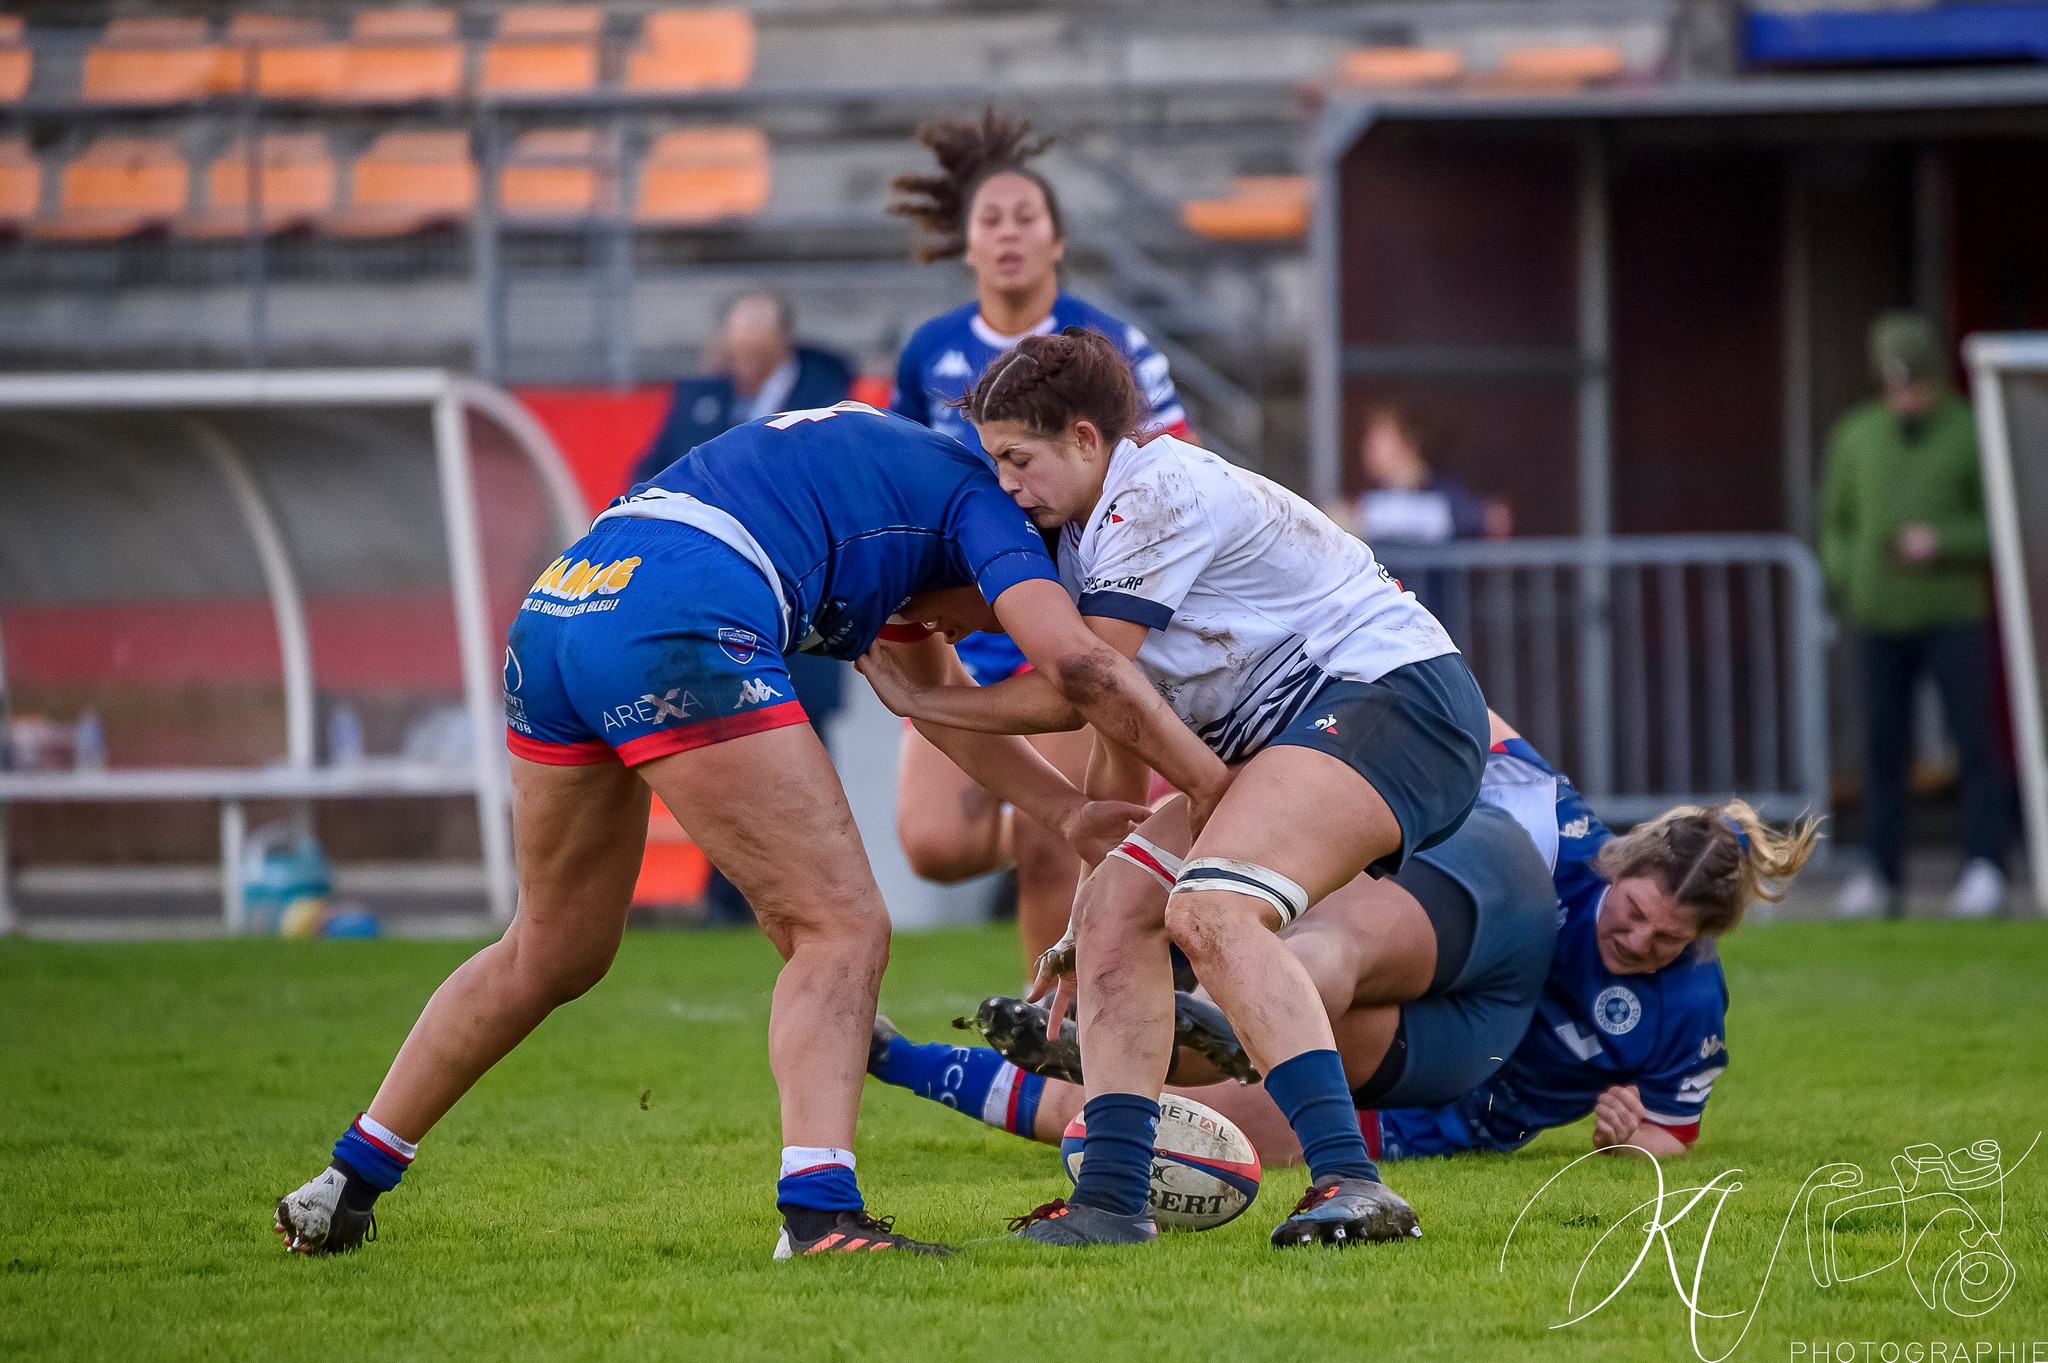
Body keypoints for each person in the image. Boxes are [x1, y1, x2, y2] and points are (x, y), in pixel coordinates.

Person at [271, 399, 1229, 1260]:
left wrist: (1063, 811)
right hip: (683, 611)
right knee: (841, 927)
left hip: (567, 602)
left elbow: (932, 699)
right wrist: (1203, 778)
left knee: (552, 946)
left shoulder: (895, 506)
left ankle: (346, 1180)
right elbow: (1076, 672)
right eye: (985, 617)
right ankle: (818, 1216)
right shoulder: (991, 509)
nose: (957, 634)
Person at [856, 328, 1490, 1250]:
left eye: (1016, 458)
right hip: (1292, 729)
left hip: (1392, 700)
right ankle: (1113, 1199)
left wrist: (923, 699)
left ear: (1084, 438)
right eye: (993, 461)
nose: (1004, 484)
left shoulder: (1148, 491)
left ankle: (1352, 1182)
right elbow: (1117, 716)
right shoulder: (1076, 534)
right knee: (1116, 915)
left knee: (1214, 912)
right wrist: (1095, 883)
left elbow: (1088, 678)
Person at [868, 713, 1818, 1166]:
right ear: (1622, 864)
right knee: (1327, 953)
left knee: (1184, 1128)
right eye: (1633, 912)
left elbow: (1671, 1130)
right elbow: (1462, 715)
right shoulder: (1556, 830)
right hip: (1434, 969)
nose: (1636, 937)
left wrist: (1631, 1139)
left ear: (1698, 944)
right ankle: (901, 1054)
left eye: (1661, 940)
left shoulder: (1689, 1001)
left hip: (1447, 1096)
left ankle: (1169, 1026)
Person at [886, 106, 1191, 971]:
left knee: (1053, 843)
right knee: (935, 846)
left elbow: (1173, 467)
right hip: (963, 612)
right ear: (968, 246)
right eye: (992, 220)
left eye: (1028, 217)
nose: (1010, 233)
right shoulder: (930, 351)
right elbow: (901, 479)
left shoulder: (1109, 344)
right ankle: (1060, 812)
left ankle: (1049, 1037)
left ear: (1057, 241)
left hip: (1062, 605)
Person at [630, 289, 858, 923]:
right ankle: (730, 892)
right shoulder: (698, 399)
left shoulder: (824, 400)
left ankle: (817, 884)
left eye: (756, 352)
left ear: (783, 346)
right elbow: (643, 480)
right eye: (735, 352)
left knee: (800, 748)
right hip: (710, 606)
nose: (743, 365)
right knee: (716, 744)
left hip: (798, 609)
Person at [1820, 311, 2009, 919]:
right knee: (1882, 750)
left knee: (1974, 743)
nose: (1905, 396)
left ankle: (1986, 866)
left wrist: (1943, 542)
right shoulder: (1857, 434)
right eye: (1895, 383)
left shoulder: (1969, 430)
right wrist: (1851, 578)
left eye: (1915, 382)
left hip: (1953, 612)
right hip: (1879, 618)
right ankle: (1880, 872)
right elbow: (1834, 525)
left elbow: (2001, 523)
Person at [630, 290, 855, 486]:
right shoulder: (699, 394)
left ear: (783, 341)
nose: (744, 359)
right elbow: (652, 469)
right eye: (737, 349)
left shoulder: (822, 392)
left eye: (754, 350)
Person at [1340, 403, 1509, 545]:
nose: (1368, 445)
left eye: (1380, 436)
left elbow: (1490, 519)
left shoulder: (1449, 492)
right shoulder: (1369, 494)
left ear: (1407, 443)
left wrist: (1361, 520)